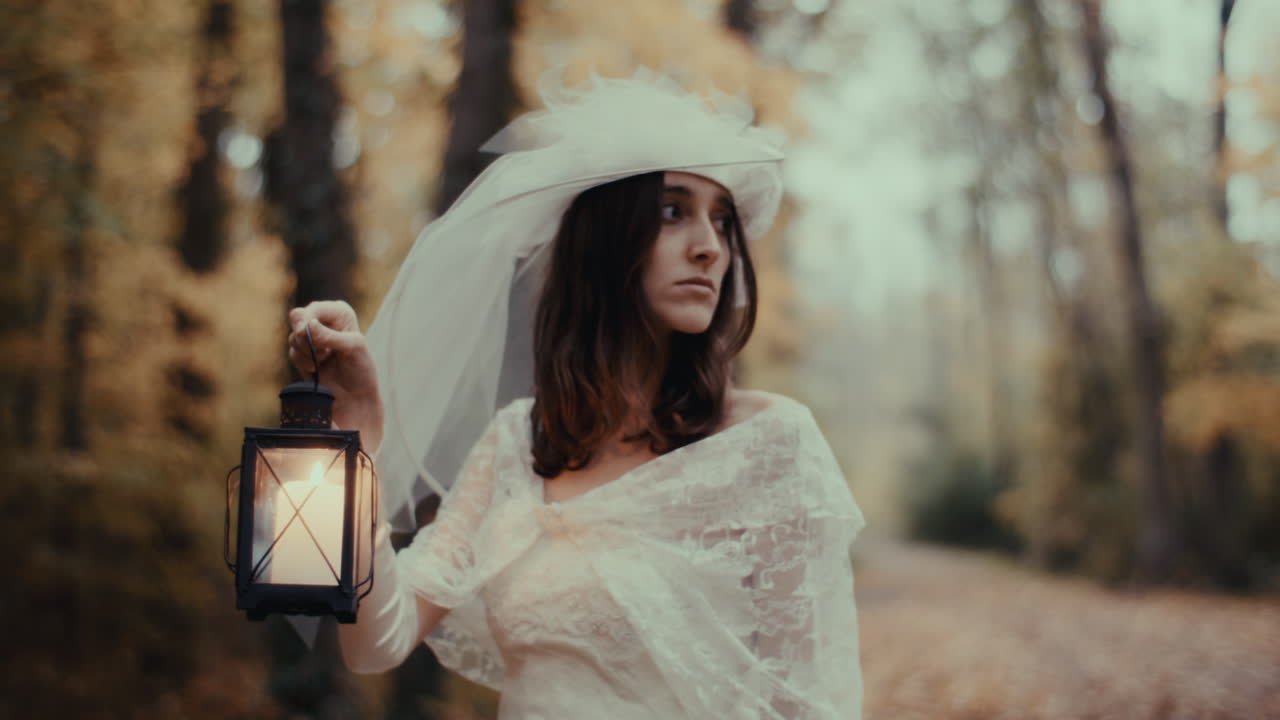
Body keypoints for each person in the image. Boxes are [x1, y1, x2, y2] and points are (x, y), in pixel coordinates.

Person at [286, 69, 866, 719]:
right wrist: (358, 436)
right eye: (674, 210)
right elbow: (376, 644)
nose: (710, 247)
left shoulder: (768, 443)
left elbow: (805, 704)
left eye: (723, 221)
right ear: (604, 238)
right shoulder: (514, 444)